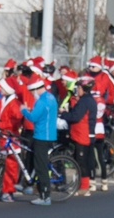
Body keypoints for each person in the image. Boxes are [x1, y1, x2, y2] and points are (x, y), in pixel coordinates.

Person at [25, 77, 58, 205]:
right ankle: (43, 194)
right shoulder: (50, 98)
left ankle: (45, 196)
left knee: (41, 167)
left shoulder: (41, 101)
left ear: (35, 89)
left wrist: (23, 110)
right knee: (42, 164)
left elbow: (32, 117)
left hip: (41, 136)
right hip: (49, 135)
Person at [63, 76, 98, 196]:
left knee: (81, 161)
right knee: (83, 160)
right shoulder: (90, 100)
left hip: (81, 134)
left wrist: (64, 114)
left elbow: (75, 116)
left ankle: (84, 187)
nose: (77, 90)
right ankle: (83, 185)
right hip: (84, 134)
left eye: (78, 87)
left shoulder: (84, 101)